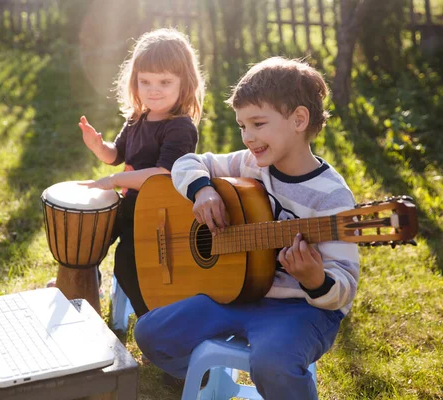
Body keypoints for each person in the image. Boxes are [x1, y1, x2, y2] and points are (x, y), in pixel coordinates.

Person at [134, 57, 360, 399]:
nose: (248, 137)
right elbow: (187, 162)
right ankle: (211, 381)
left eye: (257, 123)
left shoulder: (332, 197)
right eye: (242, 126)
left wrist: (315, 279)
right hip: (234, 294)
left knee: (271, 362)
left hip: (299, 308)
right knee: (151, 332)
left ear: (299, 119)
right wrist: (202, 189)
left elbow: (345, 285)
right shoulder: (249, 164)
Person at [76, 28, 205, 317]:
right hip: (131, 206)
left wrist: (115, 180)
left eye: (164, 82)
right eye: (145, 81)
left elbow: (163, 174)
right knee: (89, 236)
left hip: (158, 215)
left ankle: (155, 321)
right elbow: (117, 155)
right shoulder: (139, 117)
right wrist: (98, 146)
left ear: (185, 83)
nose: (153, 89)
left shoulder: (180, 127)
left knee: (127, 264)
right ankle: (83, 288)